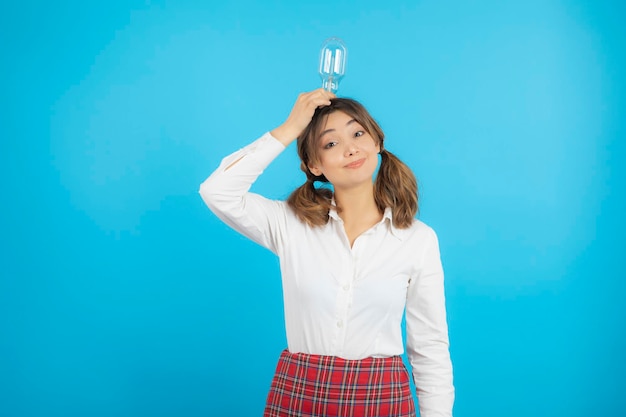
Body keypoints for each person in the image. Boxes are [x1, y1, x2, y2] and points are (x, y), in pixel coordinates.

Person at [199, 89, 454, 417]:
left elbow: (429, 348)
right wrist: (291, 127)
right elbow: (217, 191)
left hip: (382, 399)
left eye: (358, 133)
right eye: (331, 143)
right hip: (299, 395)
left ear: (377, 141)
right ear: (313, 165)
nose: (350, 149)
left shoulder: (418, 239)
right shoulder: (290, 224)